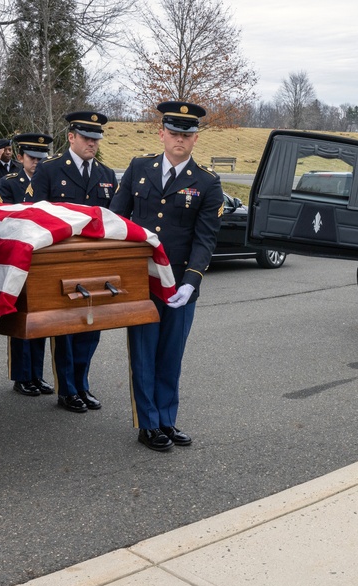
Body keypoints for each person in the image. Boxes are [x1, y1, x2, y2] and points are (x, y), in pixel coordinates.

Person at [110, 101, 224, 451]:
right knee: (144, 353)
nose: (180, 140)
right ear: (161, 134)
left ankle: (166, 419)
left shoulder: (206, 183)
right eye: (174, 133)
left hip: (179, 284)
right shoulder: (138, 168)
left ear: (195, 139)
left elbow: (205, 239)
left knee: (171, 355)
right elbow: (118, 219)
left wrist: (191, 282)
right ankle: (148, 424)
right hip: (142, 280)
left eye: (187, 135)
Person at [26, 111, 116, 413]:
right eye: (87, 138)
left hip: (95, 261)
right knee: (66, 327)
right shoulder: (49, 170)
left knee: (91, 326)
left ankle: (82, 383)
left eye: (96, 138)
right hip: (60, 260)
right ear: (71, 137)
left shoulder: (105, 174)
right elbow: (36, 215)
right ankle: (67, 389)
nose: (92, 143)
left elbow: (112, 220)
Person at [0, 132, 56, 397]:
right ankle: (21, 376)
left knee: (40, 318)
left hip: (42, 257)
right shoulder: (9, 183)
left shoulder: (50, 181)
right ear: (20, 157)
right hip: (18, 256)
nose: (38, 162)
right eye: (32, 157)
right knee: (19, 315)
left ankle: (37, 374)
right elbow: (4, 219)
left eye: (42, 157)